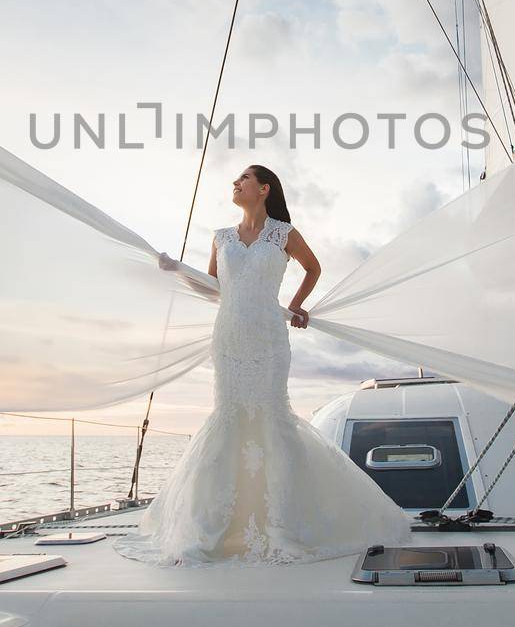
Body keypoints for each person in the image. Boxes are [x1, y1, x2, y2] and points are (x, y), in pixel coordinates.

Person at [115, 165, 409, 566]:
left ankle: (283, 526)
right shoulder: (221, 238)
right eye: (236, 180)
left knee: (272, 416)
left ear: (264, 188)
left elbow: (313, 268)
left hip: (269, 337)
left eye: (244, 179)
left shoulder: (283, 234)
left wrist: (297, 305)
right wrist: (178, 270)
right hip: (230, 337)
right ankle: (207, 529)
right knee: (228, 415)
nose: (236, 183)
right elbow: (213, 288)